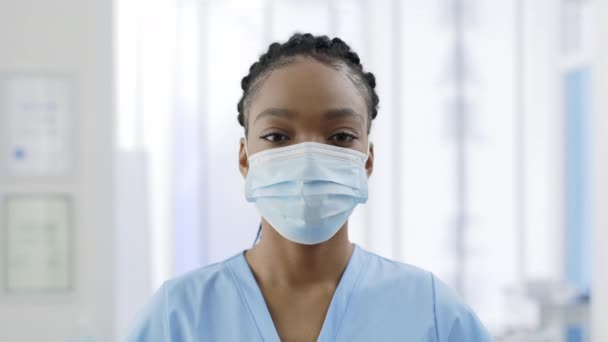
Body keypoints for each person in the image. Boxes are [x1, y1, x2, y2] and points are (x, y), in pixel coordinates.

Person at [126, 33, 492, 342]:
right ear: (244, 158)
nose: (309, 157)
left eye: (341, 136)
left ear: (367, 160)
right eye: (277, 136)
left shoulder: (430, 312)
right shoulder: (179, 317)